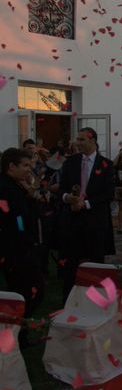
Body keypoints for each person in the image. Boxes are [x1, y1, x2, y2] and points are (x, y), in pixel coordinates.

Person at [58, 127, 116, 303]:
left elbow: (108, 193)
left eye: (82, 139)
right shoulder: (71, 162)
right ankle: (68, 300)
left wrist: (87, 203)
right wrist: (68, 197)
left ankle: (95, 300)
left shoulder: (106, 164)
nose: (78, 143)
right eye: (78, 139)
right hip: (74, 220)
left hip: (96, 221)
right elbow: (62, 188)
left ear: (93, 141)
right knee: (71, 262)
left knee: (95, 262)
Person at [0, 148, 45, 347]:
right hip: (16, 249)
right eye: (25, 165)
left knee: (27, 290)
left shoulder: (15, 186)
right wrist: (26, 239)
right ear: (11, 167)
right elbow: (16, 220)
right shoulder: (7, 188)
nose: (30, 169)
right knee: (27, 290)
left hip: (19, 247)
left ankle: (20, 332)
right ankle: (18, 333)